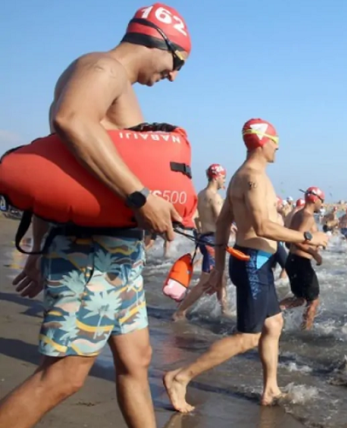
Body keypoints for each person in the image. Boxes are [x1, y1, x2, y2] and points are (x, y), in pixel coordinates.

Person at [2, 5, 191, 427]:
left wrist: (36, 249)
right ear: (159, 42)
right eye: (176, 62)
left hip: (114, 255)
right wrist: (142, 197)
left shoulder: (114, 79)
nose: (174, 75)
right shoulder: (102, 68)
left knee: (137, 359)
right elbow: (70, 122)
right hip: (91, 255)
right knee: (64, 376)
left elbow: (64, 176)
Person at [163, 118, 328, 412]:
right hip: (253, 263)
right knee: (247, 337)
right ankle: (180, 377)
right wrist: (309, 236)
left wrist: (218, 268)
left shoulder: (245, 176)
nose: (278, 148)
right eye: (276, 142)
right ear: (264, 143)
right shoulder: (252, 178)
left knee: (273, 323)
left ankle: (270, 389)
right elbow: (263, 226)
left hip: (254, 262)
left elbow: (225, 221)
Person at [173, 163, 229, 321]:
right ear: (217, 177)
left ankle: (224, 309)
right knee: (206, 279)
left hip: (205, 237)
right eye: (224, 178)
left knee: (221, 277)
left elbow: (197, 217)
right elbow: (220, 221)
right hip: (212, 240)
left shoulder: (202, 193)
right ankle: (180, 311)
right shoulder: (215, 197)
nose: (224, 181)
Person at [279, 187, 326, 330]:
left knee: (300, 299)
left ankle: (273, 310)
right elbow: (296, 240)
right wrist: (315, 253)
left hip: (293, 261)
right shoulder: (307, 216)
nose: (322, 205)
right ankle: (306, 332)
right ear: (315, 199)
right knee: (313, 301)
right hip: (301, 263)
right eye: (322, 201)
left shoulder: (298, 214)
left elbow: (289, 240)